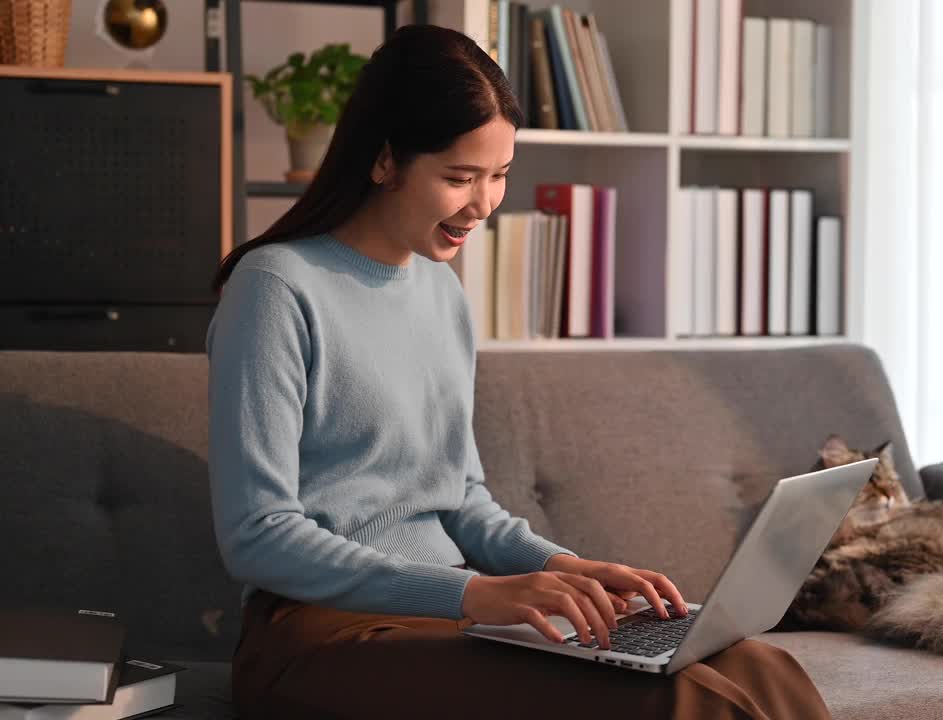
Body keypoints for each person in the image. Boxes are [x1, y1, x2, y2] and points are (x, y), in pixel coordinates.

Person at [207, 24, 831, 720]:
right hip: (321, 635)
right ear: (385, 160)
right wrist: (473, 595)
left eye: (499, 175)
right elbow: (257, 535)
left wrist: (563, 569)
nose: (483, 204)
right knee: (680, 695)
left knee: (754, 663)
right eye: (459, 177)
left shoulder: (441, 291)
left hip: (445, 614)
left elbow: (461, 499)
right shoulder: (275, 288)